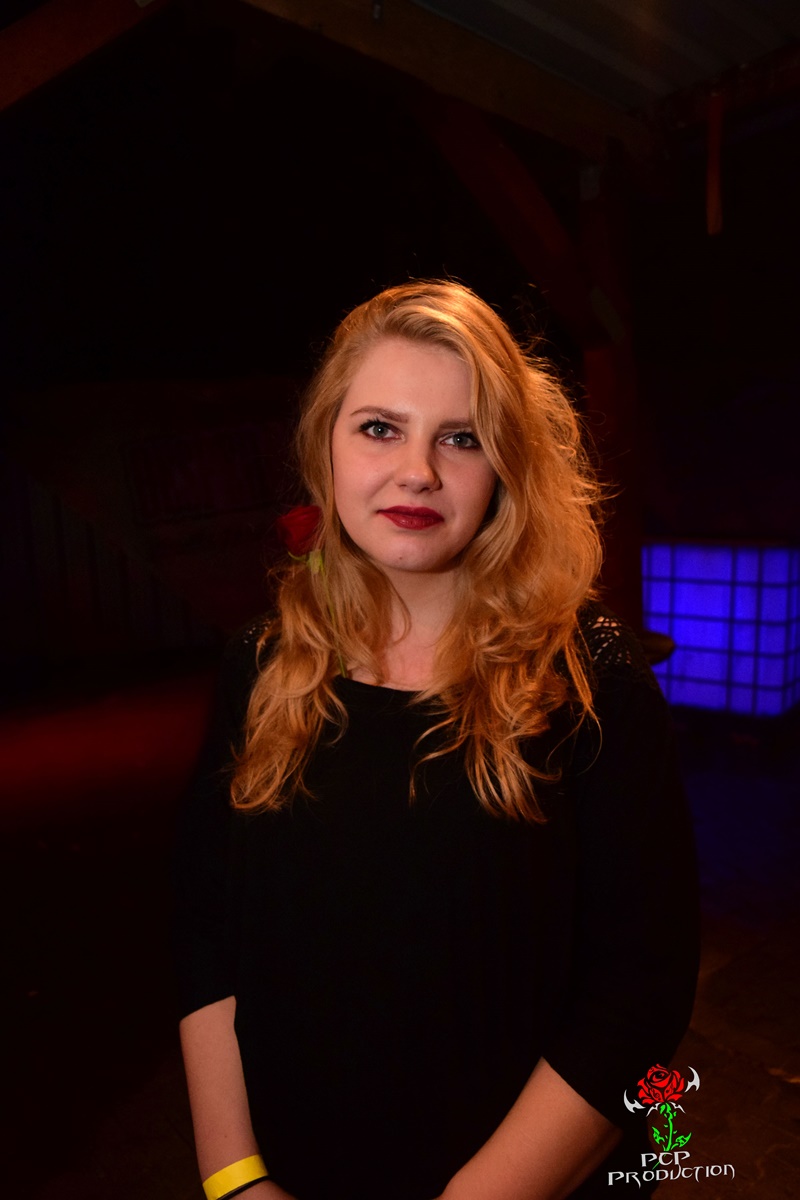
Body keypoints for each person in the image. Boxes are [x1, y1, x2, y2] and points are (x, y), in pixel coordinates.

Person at [174, 280, 698, 1200]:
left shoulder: (591, 679)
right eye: (380, 428)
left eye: (461, 438)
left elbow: (640, 990)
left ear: (506, 466)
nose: (417, 470)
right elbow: (206, 932)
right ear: (325, 444)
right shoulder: (260, 664)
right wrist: (236, 1178)